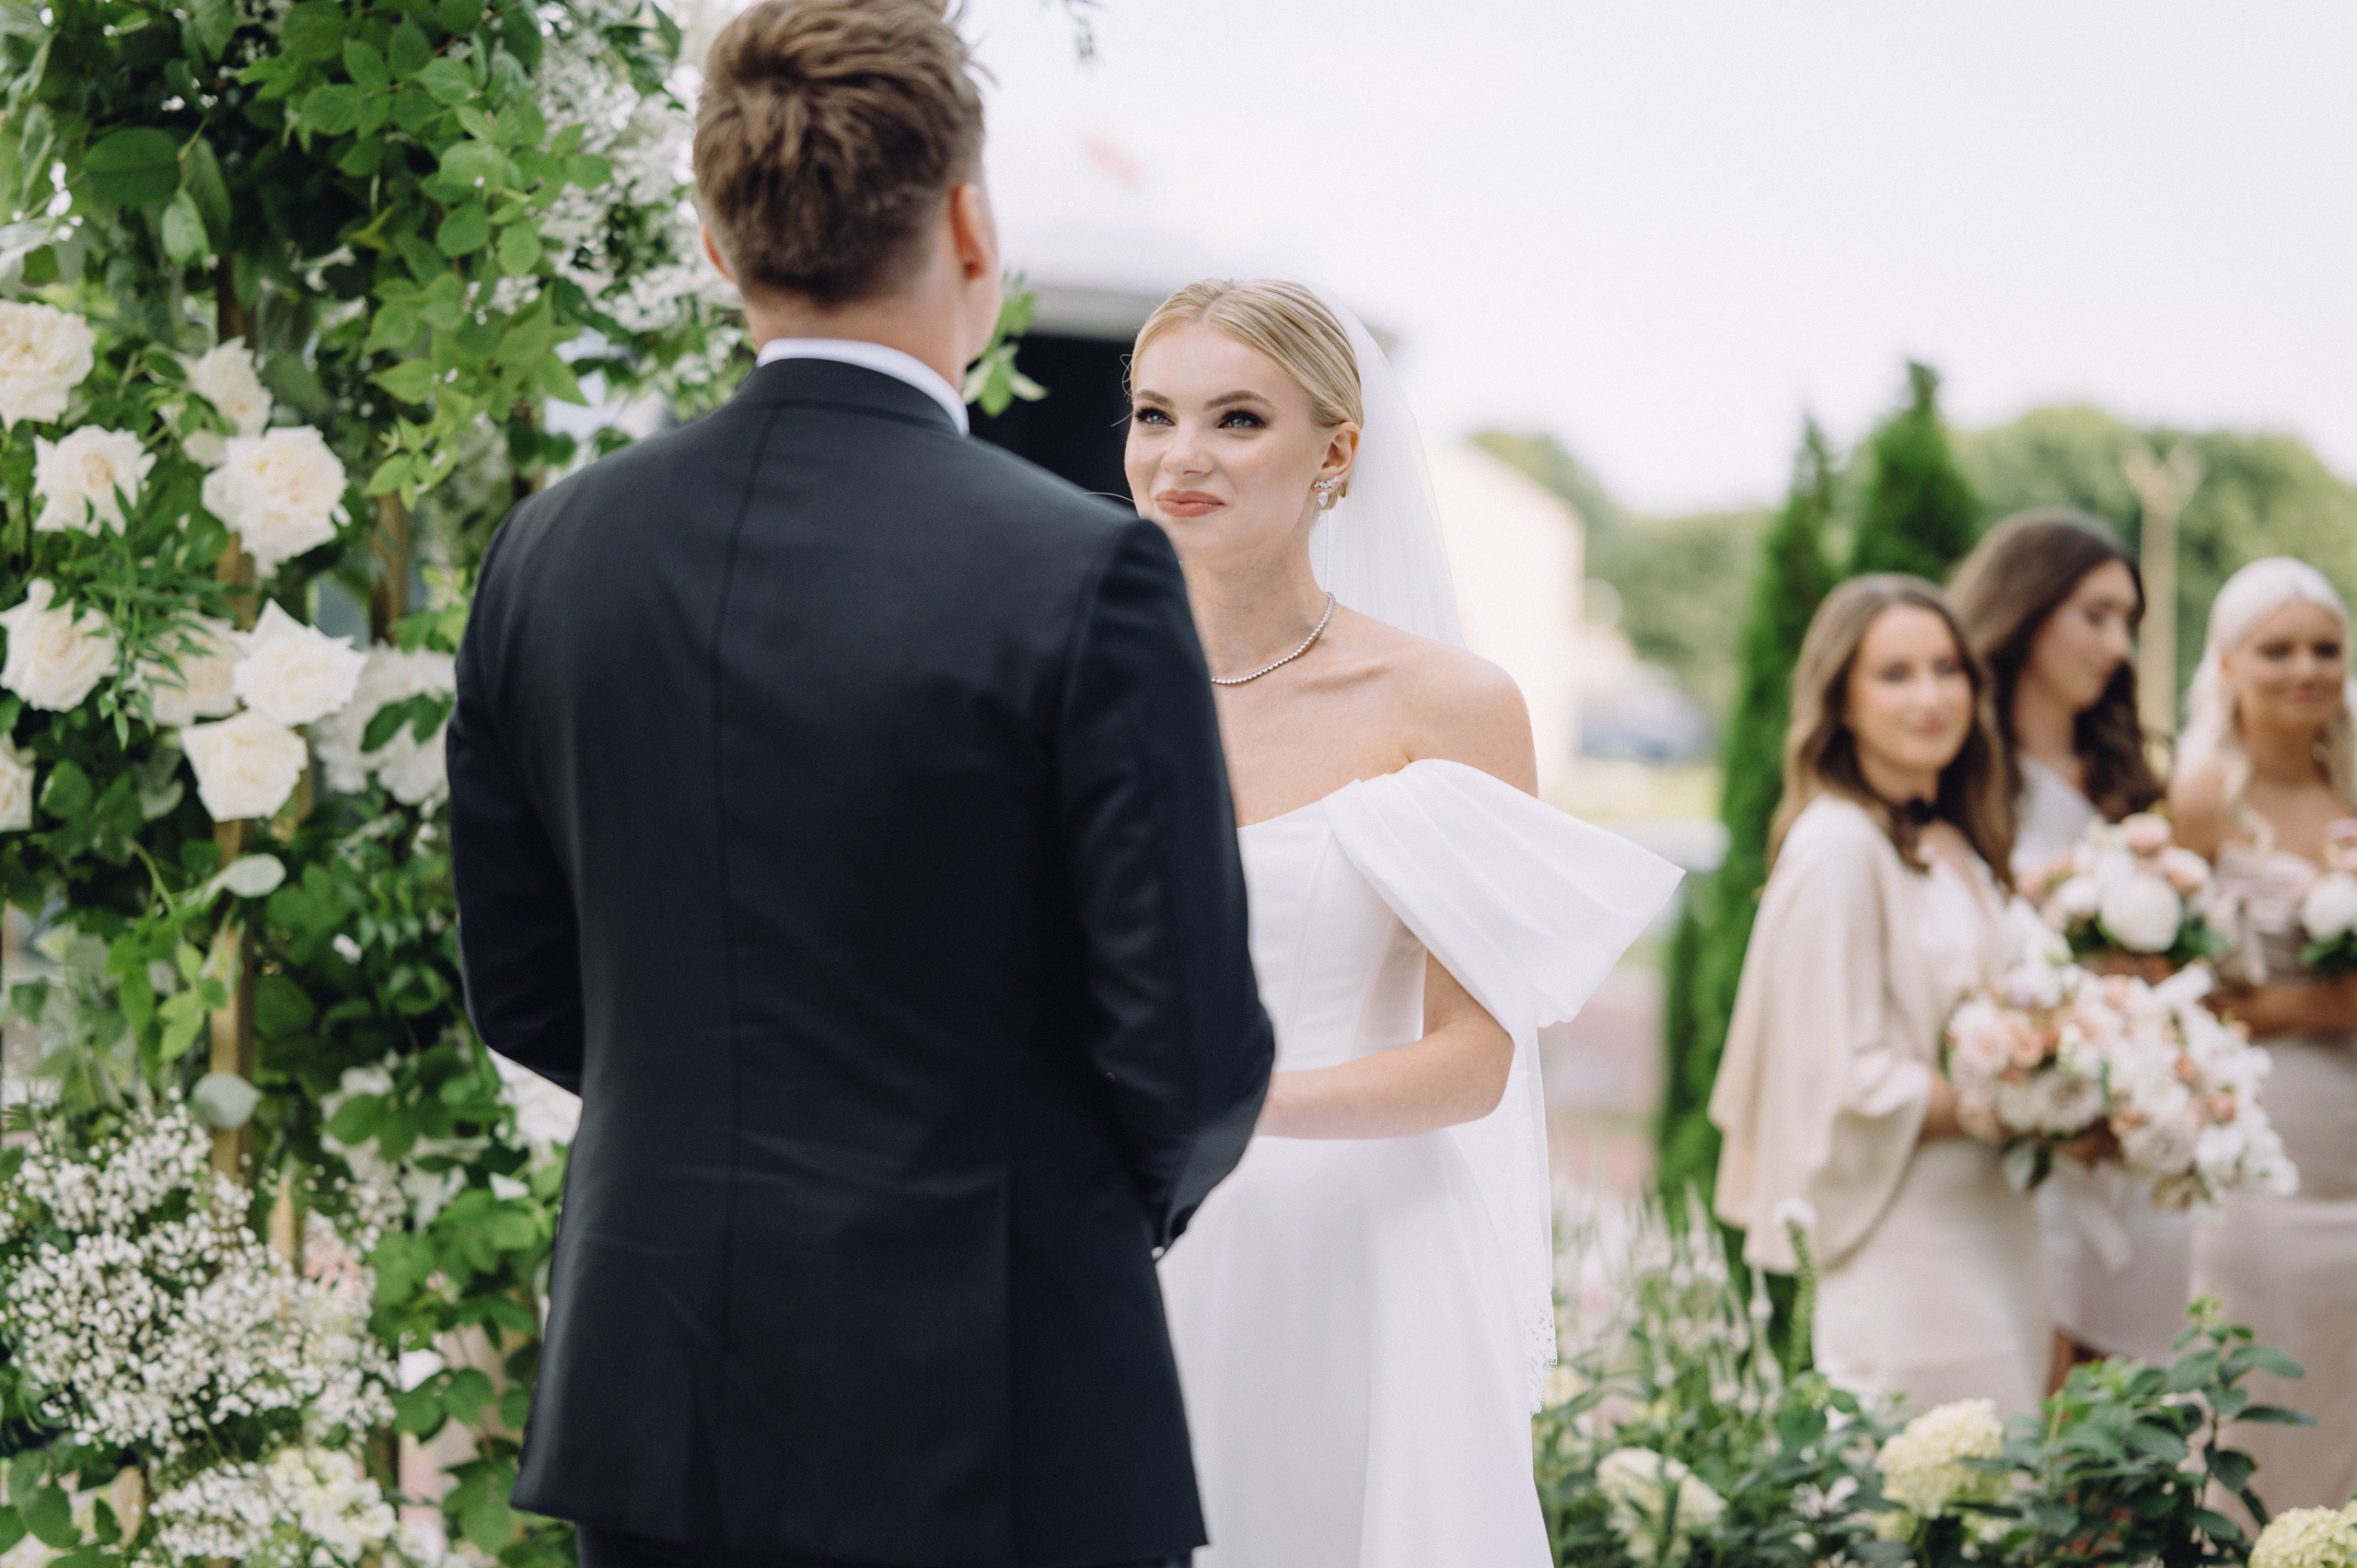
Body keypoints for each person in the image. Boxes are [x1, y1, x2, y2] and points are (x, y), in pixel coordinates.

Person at [447, 6, 1274, 1566]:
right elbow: (1190, 1044)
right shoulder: (1086, 571)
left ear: (714, 237)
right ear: (971, 222)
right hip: (1000, 1403)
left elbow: (528, 990)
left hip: (661, 1388)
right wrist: (1060, 1219)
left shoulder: (552, 554)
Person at [1125, 279, 1681, 1568]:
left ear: (1338, 451)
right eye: (1155, 412)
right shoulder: (1068, 674)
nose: (1182, 455)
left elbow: (1474, 1059)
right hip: (1113, 1243)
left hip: (1350, 1258)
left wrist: (1224, 1102)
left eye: (1238, 417)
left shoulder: (1447, 701)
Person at [1711, 575, 2049, 1417]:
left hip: (1999, 1224)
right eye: (1895, 674)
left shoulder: (1956, 838)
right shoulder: (1837, 846)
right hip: (1908, 1241)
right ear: (1843, 701)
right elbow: (1843, 1078)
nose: (1932, 695)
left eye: (1948, 668)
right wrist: (2021, 1097)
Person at [1949, 511, 2187, 1383]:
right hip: (2027, 1134)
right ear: (2029, 606)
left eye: (2128, 621)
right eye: (2095, 614)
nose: (2117, 645)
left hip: (2134, 1128)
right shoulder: (1962, 779)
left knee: (2131, 1415)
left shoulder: (2132, 782)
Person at [2171, 557, 2357, 1516]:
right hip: (2262, 1148)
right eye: (2277, 648)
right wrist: (2312, 1009)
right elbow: (2173, 990)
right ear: (2228, 663)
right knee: (2264, 1391)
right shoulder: (2202, 797)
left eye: (2324, 647)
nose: (2306, 668)